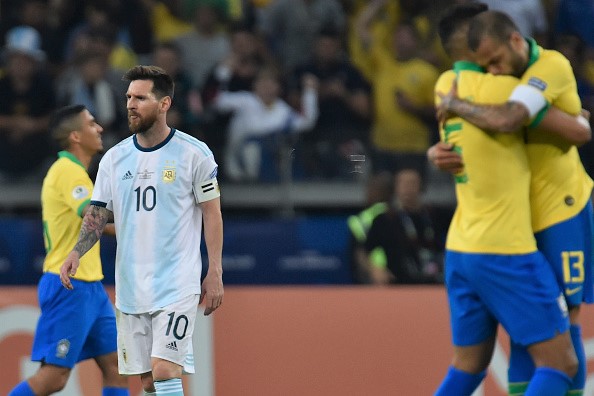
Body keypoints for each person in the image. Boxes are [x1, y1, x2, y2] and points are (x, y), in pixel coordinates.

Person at [431, 4, 591, 395]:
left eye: (497, 57)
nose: (495, 67)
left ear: (511, 38)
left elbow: (568, 128)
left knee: (557, 325)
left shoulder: (449, 85)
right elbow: (575, 127)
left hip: (557, 209)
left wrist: (445, 126)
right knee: (554, 346)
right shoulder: (502, 86)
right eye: (485, 58)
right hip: (510, 235)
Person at [59, 65, 224, 396]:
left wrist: (215, 270)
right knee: (148, 381)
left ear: (164, 104)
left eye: (141, 98)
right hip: (132, 286)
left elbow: (212, 213)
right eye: (129, 97)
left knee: (165, 371)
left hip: (178, 281)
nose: (131, 104)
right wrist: (77, 251)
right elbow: (97, 213)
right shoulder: (115, 159)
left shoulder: (194, 154)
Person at [8, 105, 129, 396]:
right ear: (75, 136)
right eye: (91, 124)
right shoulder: (67, 171)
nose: (99, 128)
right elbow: (92, 212)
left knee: (117, 366)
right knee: (54, 378)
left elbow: (95, 224)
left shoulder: (75, 173)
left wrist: (137, 229)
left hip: (91, 287)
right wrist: (136, 214)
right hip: (68, 285)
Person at [363, 168, 444, 285]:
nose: (408, 188)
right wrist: (375, 269)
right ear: (396, 188)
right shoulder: (385, 219)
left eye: (412, 183)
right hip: (398, 286)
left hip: (434, 283)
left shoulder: (435, 215)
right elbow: (363, 251)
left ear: (421, 187)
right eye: (403, 183)